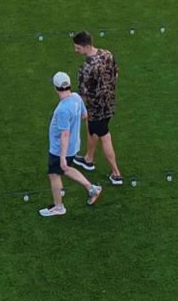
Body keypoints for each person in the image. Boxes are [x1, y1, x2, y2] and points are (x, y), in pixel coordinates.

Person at [40, 72, 103, 217]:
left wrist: (62, 156)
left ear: (56, 88)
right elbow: (84, 115)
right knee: (66, 169)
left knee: (54, 174)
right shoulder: (76, 98)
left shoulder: (63, 109)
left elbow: (65, 134)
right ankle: (92, 188)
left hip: (60, 149)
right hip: (73, 146)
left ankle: (58, 207)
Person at [71, 32, 125, 185]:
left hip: (96, 108)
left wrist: (81, 110)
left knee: (104, 136)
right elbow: (116, 74)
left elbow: (83, 93)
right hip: (109, 103)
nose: (76, 50)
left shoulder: (87, 67)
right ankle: (88, 159)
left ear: (86, 46)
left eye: (78, 48)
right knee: (92, 129)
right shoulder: (107, 54)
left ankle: (116, 173)